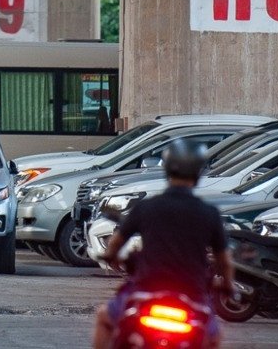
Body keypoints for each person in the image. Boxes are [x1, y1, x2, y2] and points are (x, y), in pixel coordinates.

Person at [92, 139, 231, 349]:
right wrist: (228, 285)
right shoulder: (209, 213)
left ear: (166, 169)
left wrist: (110, 256)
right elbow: (225, 261)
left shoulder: (146, 207)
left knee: (104, 318)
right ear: (197, 173)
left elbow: (115, 243)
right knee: (213, 339)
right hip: (193, 293)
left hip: (145, 288)